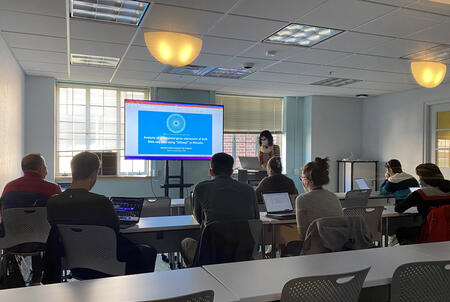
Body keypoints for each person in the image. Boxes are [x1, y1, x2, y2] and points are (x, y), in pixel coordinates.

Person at [42, 152, 156, 283]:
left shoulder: (53, 202)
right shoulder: (101, 202)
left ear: (72, 171)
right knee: (147, 252)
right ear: (93, 174)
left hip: (71, 262)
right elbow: (115, 231)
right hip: (106, 263)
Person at [181, 152, 260, 266]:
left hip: (212, 255)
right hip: (244, 253)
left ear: (211, 172)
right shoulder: (249, 190)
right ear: (232, 173)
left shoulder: (201, 188)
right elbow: (255, 220)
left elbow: (199, 219)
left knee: (186, 243)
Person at [0, 154, 61, 285]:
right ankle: (50, 282)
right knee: (52, 230)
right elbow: (58, 217)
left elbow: (2, 215)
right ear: (40, 168)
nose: (46, 169)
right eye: (45, 166)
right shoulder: (53, 189)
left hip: (12, 242)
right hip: (44, 242)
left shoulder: (8, 187)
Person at [395, 163, 450, 244]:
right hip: (447, 232)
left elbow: (398, 208)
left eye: (420, 178)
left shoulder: (420, 194)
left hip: (429, 231)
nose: (420, 182)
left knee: (401, 231)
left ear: (425, 179)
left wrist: (410, 197)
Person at [255, 157, 299, 256]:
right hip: (288, 216)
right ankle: (277, 246)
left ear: (270, 169)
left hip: (270, 216)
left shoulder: (266, 181)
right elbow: (295, 196)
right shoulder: (289, 181)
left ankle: (273, 247)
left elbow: (256, 196)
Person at [296, 157, 343, 243]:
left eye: (301, 178)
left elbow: (303, 235)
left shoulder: (302, 199)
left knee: (288, 246)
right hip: (337, 246)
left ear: (306, 181)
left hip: (314, 249)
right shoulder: (333, 196)